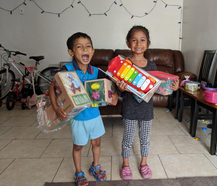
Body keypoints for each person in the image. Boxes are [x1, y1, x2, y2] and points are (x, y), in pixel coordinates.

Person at [49, 32, 118, 186]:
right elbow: (52, 87)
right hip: (78, 118)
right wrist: (55, 107)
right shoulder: (66, 70)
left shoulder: (97, 71)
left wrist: (114, 94)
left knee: (97, 143)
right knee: (78, 146)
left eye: (88, 46)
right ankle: (79, 172)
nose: (85, 49)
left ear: (92, 51)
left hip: (95, 116)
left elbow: (112, 84)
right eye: (79, 47)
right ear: (71, 52)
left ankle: (95, 167)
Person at [116, 25, 179, 180]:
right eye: (134, 40)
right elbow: (119, 92)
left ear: (148, 43)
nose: (138, 43)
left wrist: (173, 87)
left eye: (142, 40)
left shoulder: (152, 65)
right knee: (128, 138)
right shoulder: (125, 65)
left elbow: (159, 87)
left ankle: (144, 164)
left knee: (145, 138)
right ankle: (125, 165)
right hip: (130, 108)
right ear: (128, 43)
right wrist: (121, 88)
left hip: (146, 109)